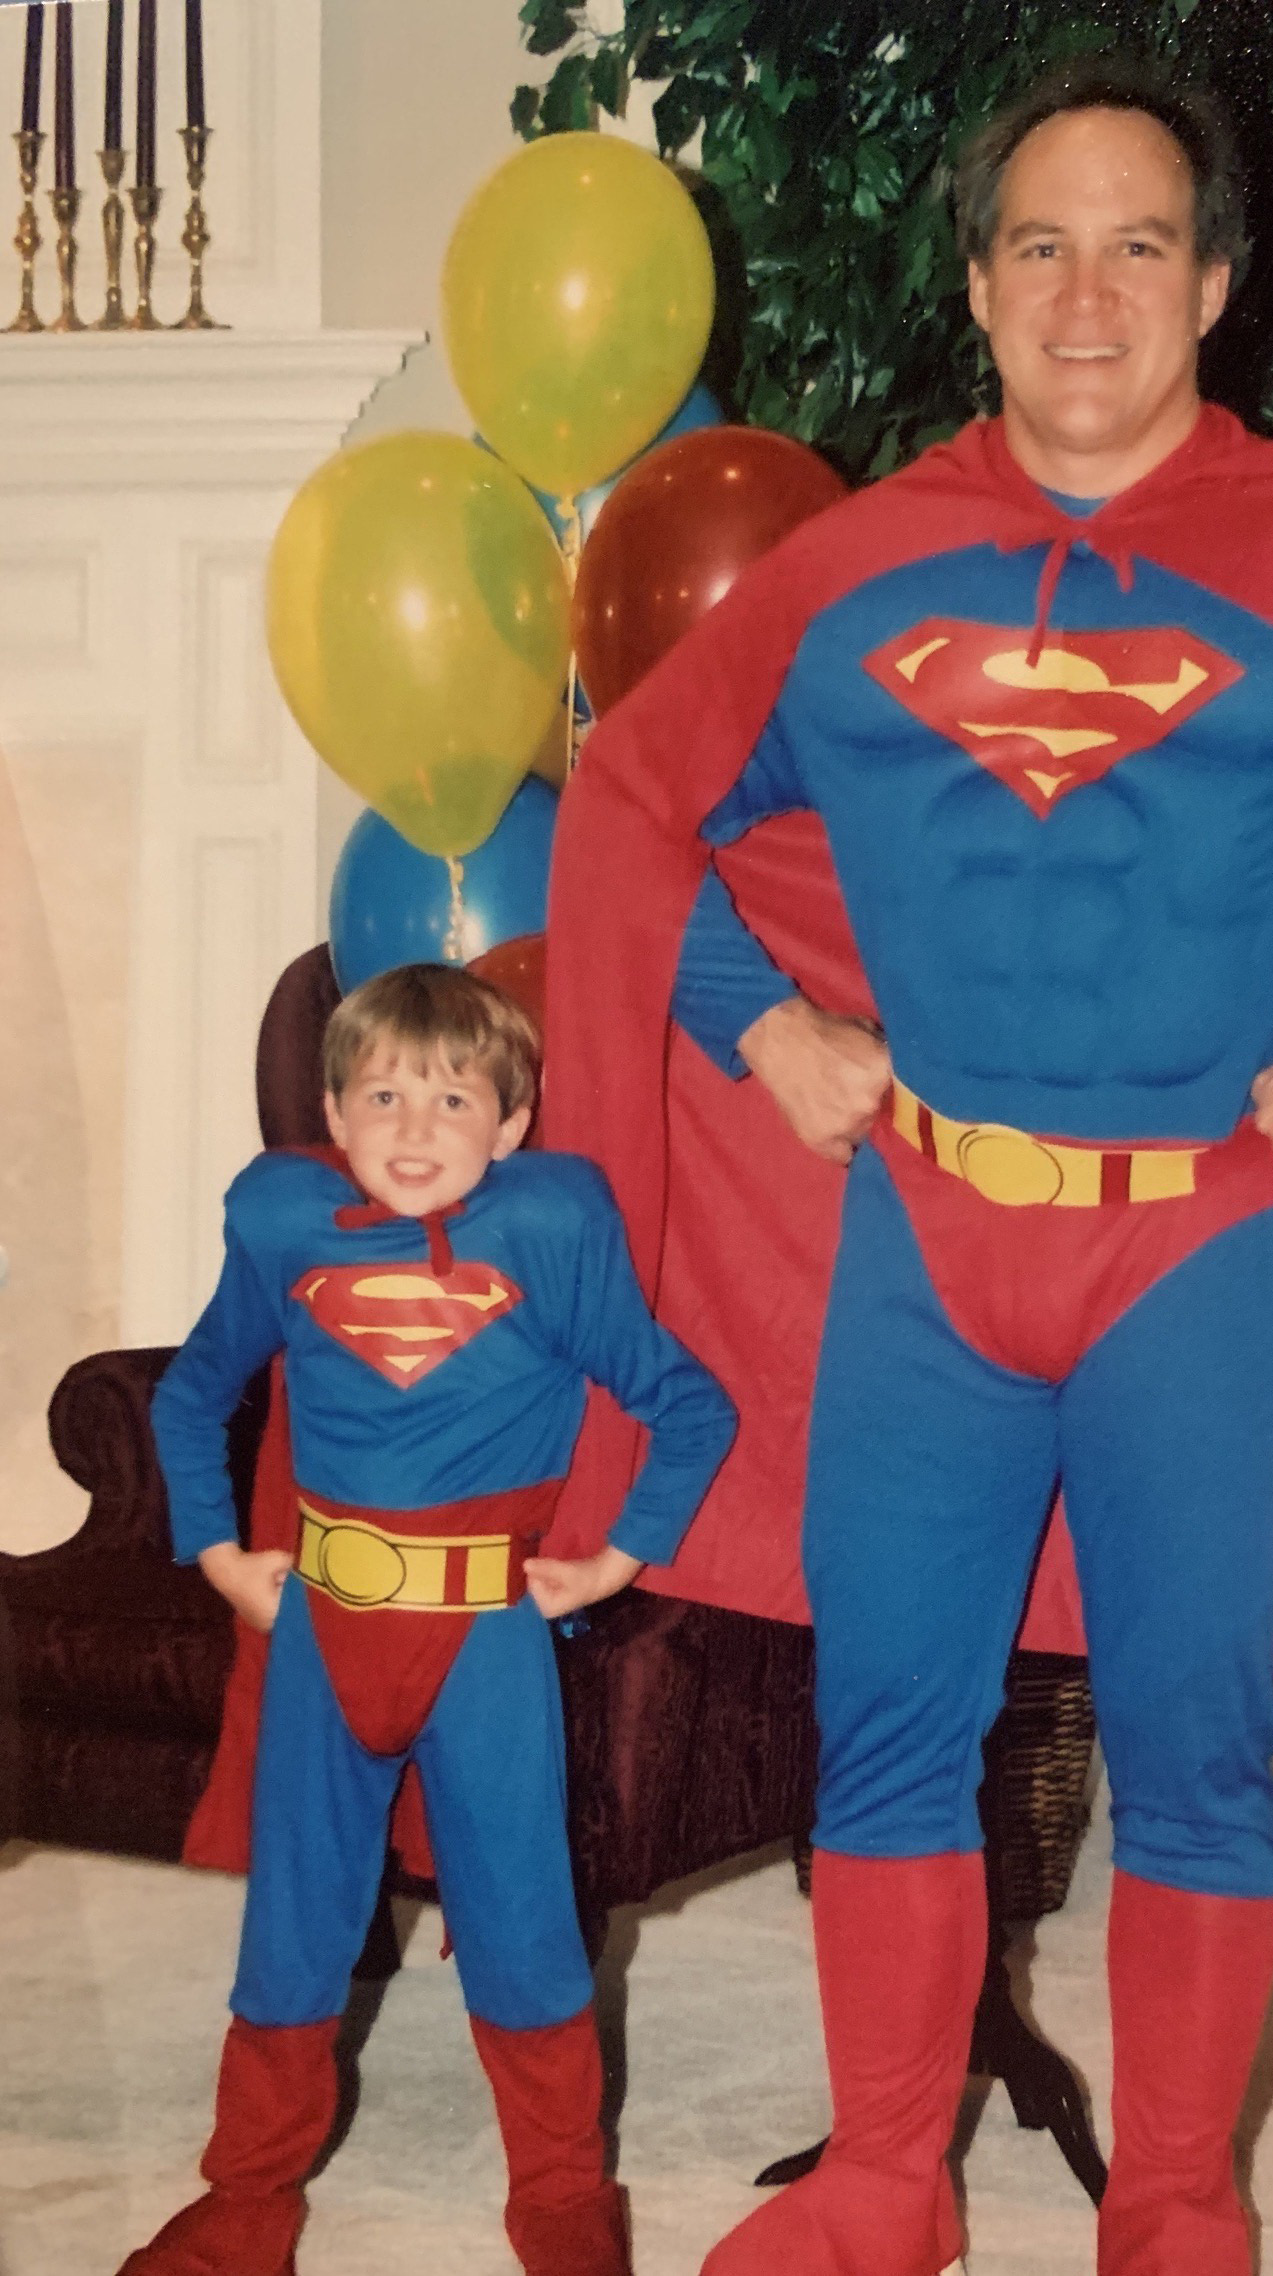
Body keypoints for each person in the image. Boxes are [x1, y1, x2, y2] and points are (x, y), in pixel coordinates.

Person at [540, 51, 1273, 2276]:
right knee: (888, 1738)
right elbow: (628, 800)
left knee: (1190, 1754)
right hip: (934, 1243)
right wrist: (755, 1012)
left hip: (1210, 1259)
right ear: (981, 288)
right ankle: (889, 2182)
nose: (1090, 291)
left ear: (1216, 286)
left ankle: (1177, 2200)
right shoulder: (857, 570)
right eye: (1041, 245)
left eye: (1140, 243)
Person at [121, 964, 735, 2276]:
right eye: (383, 1095)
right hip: (326, 1631)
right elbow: (191, 1392)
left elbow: (689, 1405)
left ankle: (564, 2197)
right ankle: (245, 2201)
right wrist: (219, 1552)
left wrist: (615, 1563)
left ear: (513, 1126)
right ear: (333, 1115)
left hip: (485, 1644)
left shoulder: (553, 1232)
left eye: (454, 1099)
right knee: (293, 1920)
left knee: (521, 1915)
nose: (413, 1130)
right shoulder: (288, 1227)